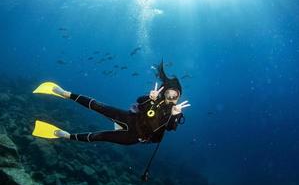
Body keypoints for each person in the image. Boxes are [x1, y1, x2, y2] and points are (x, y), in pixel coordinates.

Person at [32, 62, 190, 145]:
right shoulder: (154, 98)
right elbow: (140, 103)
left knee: (100, 136)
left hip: (134, 136)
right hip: (129, 118)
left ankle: (66, 136)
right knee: (99, 106)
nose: (170, 98)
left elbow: (171, 127)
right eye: (168, 94)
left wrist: (175, 115)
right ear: (164, 92)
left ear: (178, 98)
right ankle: (65, 93)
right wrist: (151, 98)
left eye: (174, 96)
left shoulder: (175, 112)